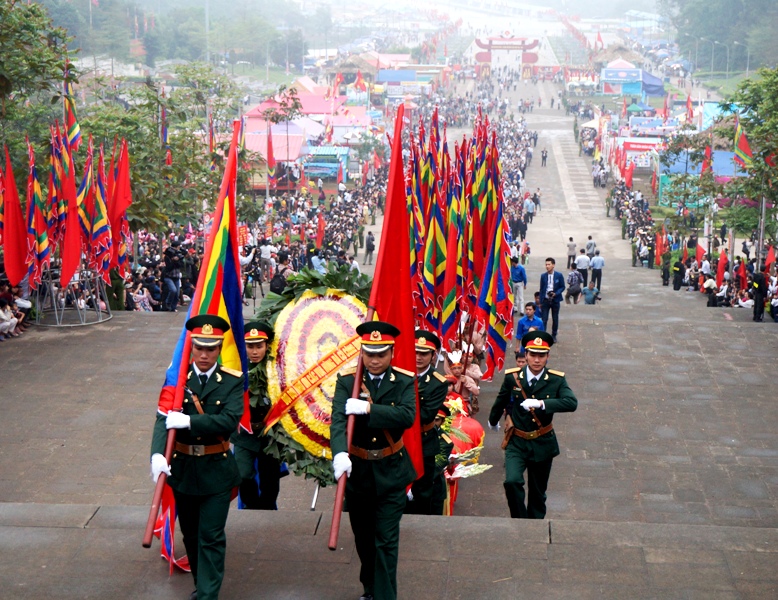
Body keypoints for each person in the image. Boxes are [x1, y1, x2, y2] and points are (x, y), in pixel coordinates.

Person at [150, 314, 244, 600]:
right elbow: (161, 419)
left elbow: (229, 420)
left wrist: (190, 423)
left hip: (217, 470)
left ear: (219, 349)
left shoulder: (230, 382)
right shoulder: (178, 380)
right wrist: (156, 455)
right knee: (191, 535)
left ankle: (207, 595)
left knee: (211, 536)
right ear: (191, 347)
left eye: (211, 348)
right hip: (184, 470)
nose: (204, 355)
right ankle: (201, 584)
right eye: (199, 348)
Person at [330, 321, 417, 600]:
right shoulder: (347, 381)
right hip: (360, 472)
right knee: (364, 540)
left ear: (392, 353)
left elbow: (407, 416)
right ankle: (370, 588)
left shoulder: (404, 380)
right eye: (369, 353)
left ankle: (384, 596)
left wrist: (369, 408)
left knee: (386, 543)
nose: (375, 360)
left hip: (391, 472)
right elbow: (338, 421)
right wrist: (340, 452)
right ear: (362, 353)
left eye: (381, 354)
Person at [487, 331, 577, 519]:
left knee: (537, 493)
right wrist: (493, 420)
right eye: (533, 355)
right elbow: (501, 399)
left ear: (547, 356)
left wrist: (542, 404)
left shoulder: (556, 379)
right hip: (517, 441)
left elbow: (571, 402)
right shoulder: (513, 377)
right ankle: (520, 521)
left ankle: (535, 527)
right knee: (511, 481)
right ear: (525, 355)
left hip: (542, 441)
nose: (537, 360)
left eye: (541, 355)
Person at [232, 322, 285, 510]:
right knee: (242, 473)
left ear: (266, 346)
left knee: (270, 476)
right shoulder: (236, 369)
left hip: (270, 434)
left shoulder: (276, 370)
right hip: (244, 434)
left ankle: (268, 508)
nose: (255, 351)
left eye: (259, 346)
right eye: (250, 346)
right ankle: (252, 505)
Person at [405, 331, 449, 515]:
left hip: (423, 440)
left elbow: (425, 414)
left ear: (433, 355)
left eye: (424, 353)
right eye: (415, 352)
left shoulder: (438, 383)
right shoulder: (399, 374)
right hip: (398, 439)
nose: (418, 357)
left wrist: (394, 411)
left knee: (422, 490)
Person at [539, 258, 565, 342]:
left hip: (555, 300)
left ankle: (554, 335)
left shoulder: (559, 275)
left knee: (555, 318)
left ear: (553, 265)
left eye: (549, 264)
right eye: (546, 264)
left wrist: (556, 293)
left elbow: (562, 286)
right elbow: (542, 288)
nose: (547, 266)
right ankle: (543, 335)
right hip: (546, 300)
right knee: (544, 319)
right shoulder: (543, 276)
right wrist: (540, 299)